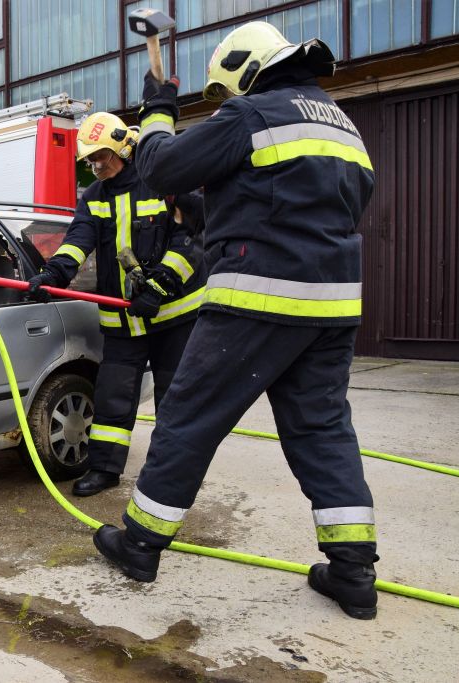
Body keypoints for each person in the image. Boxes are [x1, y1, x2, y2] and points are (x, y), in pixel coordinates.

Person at [92, 22, 379, 620]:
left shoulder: (252, 114)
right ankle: (353, 573)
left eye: (222, 94)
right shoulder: (340, 123)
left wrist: (158, 109)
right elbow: (302, 205)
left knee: (188, 418)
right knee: (323, 430)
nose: (222, 105)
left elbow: (163, 167)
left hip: (259, 299)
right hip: (332, 305)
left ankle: (140, 546)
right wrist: (210, 213)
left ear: (244, 71)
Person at [27, 111, 206, 498]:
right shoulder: (93, 198)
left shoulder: (165, 185)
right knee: (112, 397)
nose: (95, 166)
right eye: (89, 160)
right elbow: (77, 242)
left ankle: (172, 476)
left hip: (172, 318)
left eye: (101, 157)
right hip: (123, 320)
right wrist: (54, 275)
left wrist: (159, 287)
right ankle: (105, 469)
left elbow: (190, 243)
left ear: (124, 148)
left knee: (173, 397)